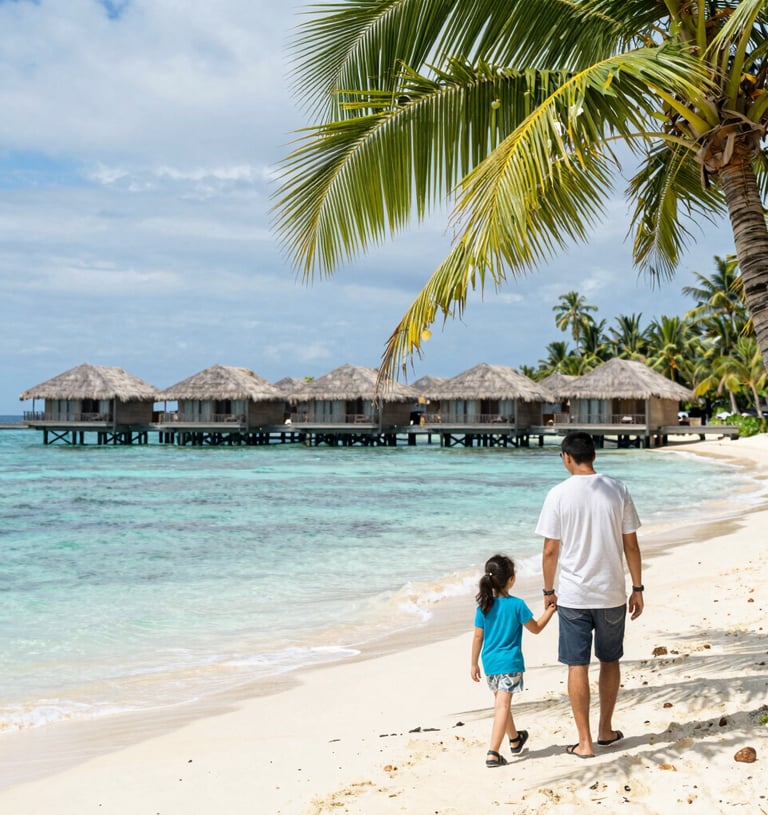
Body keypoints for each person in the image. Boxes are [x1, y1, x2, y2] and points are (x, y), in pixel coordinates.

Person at [535, 431, 644, 759]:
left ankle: (584, 742)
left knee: (577, 665)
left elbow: (550, 550)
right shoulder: (617, 489)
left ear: (566, 457)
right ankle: (605, 730)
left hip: (574, 596)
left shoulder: (558, 494)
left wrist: (548, 590)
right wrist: (638, 588)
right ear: (593, 455)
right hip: (611, 593)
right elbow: (631, 545)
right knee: (610, 661)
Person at [470, 554, 556, 767]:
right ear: (511, 580)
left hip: (490, 663)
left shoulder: (483, 607)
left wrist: (473, 663)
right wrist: (550, 611)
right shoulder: (517, 605)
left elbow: (478, 637)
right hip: (509, 663)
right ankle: (493, 753)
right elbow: (536, 628)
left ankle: (515, 739)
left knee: (502, 704)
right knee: (502, 705)